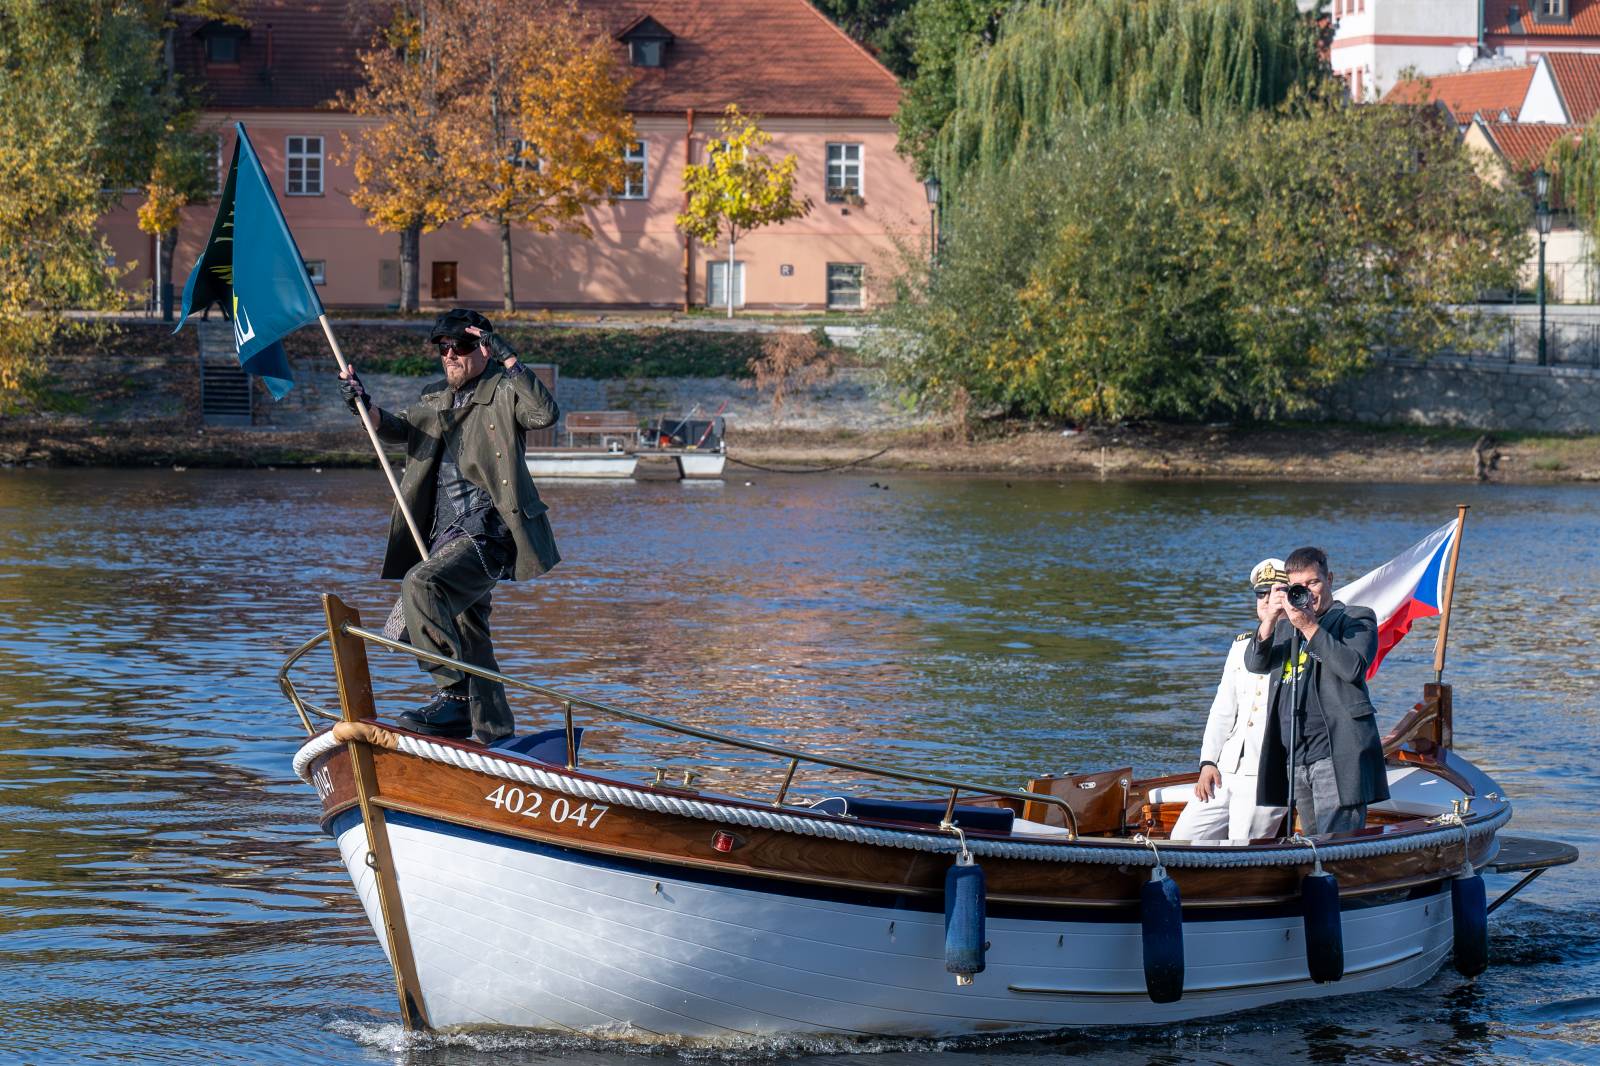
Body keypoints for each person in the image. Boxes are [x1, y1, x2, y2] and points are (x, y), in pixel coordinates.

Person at [338, 309, 560, 743]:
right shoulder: (435, 396)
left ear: (482, 348)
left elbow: (544, 414)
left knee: (422, 585)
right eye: (442, 348)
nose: (449, 356)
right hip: (442, 534)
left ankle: (454, 697)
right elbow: (400, 430)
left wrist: (509, 359)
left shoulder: (504, 390)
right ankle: (496, 737)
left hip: (486, 531)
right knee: (470, 634)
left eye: (458, 346)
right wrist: (363, 404)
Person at [1246, 545, 1390, 836]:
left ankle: (1342, 883)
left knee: (1335, 848)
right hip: (1295, 755)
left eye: (1313, 582)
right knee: (1311, 845)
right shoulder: (1287, 628)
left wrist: (1310, 627)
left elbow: (1352, 668)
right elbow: (1255, 663)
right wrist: (1271, 619)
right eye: (1298, 586)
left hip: (1336, 754)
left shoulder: (1356, 619)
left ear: (1329, 579)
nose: (1307, 593)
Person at [1169, 559, 1290, 843]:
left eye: (1273, 592)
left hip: (1266, 771)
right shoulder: (1241, 646)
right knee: (1182, 839)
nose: (1266, 600)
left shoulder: (1300, 643)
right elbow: (1223, 709)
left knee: (1243, 845)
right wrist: (1208, 762)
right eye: (1261, 594)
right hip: (1226, 768)